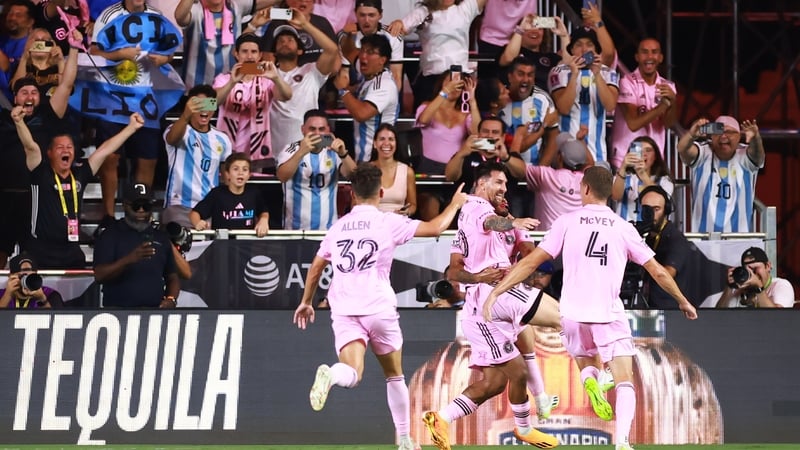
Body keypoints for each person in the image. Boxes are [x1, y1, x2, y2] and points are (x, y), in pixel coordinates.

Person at [484, 166, 698, 450]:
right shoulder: (624, 228)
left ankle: (591, 380)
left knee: (586, 359)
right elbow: (658, 272)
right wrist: (682, 299)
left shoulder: (566, 221)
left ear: (585, 189)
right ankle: (622, 441)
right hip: (607, 312)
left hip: (571, 313)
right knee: (624, 381)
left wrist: (497, 291)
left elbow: (530, 262)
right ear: (609, 193)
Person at [292, 163, 468, 450]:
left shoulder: (338, 227)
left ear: (351, 194)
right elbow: (436, 227)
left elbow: (316, 267)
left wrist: (305, 302)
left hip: (345, 308)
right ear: (381, 191)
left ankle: (332, 375)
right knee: (394, 374)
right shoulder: (388, 222)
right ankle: (404, 439)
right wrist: (456, 204)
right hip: (378, 307)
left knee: (352, 372)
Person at [423, 162, 560, 450]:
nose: (503, 189)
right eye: (499, 183)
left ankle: (441, 418)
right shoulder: (475, 207)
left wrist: (517, 231)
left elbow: (529, 256)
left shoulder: (490, 223)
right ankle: (598, 371)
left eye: (506, 186)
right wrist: (513, 222)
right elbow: (485, 229)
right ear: (482, 184)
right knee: (563, 319)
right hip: (492, 298)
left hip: (493, 298)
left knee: (494, 383)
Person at [13, 108, 144, 269]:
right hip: (41, 250)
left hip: (71, 250)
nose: (66, 150)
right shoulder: (40, 173)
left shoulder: (80, 174)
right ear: (50, 153)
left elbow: (104, 150)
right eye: (60, 147)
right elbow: (31, 148)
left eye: (69, 147)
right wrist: (19, 122)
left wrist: (131, 128)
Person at [90, 0, 179, 222]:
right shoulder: (108, 15)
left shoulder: (156, 16)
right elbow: (92, 51)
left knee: (147, 159)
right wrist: (120, 54)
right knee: (110, 157)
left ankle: (141, 213)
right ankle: (108, 217)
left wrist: (164, 59)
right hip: (112, 98)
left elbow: (170, 51)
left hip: (146, 99)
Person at [0, 40, 80, 268]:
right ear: (15, 98)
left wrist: (72, 49)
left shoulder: (48, 115)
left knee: (33, 254)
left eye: (34, 92)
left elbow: (66, 85)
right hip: (4, 195)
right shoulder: (2, 120)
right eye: (24, 92)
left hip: (38, 197)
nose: (29, 96)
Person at [214, 34, 292, 174]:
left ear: (260, 55)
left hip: (257, 150)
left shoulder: (266, 80)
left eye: (254, 52)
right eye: (244, 51)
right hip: (227, 149)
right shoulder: (223, 78)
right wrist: (232, 82)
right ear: (236, 54)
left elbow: (287, 96)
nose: (249, 56)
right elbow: (211, 104)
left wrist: (276, 78)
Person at [94, 182, 180, 308]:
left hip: (154, 314)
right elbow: (99, 275)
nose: (141, 210)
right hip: (118, 314)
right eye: (136, 206)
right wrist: (129, 260)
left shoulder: (161, 237)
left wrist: (171, 299)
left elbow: (172, 276)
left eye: (146, 206)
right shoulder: (110, 235)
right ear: (124, 206)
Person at [387, 0, 487, 109]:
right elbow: (402, 27)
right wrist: (398, 23)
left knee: (461, 119)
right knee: (426, 120)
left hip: (459, 77)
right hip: (431, 78)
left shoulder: (465, 8)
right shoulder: (423, 12)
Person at [268, 11, 340, 156]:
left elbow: (332, 50)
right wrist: (252, 25)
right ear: (274, 51)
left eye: (290, 40)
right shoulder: (266, 73)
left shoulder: (311, 71)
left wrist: (305, 25)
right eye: (280, 41)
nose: (284, 43)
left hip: (308, 149)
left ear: (300, 50)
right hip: (274, 152)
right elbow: (241, 55)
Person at [677, 116, 764, 233]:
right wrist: (692, 133)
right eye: (718, 132)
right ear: (711, 136)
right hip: (703, 238)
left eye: (729, 132)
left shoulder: (745, 155)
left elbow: (758, 156)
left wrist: (755, 138)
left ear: (739, 136)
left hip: (740, 239)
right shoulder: (703, 152)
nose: (723, 136)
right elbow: (682, 149)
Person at [163, 84, 233, 228]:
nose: (204, 110)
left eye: (209, 104)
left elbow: (227, 177)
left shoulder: (223, 139)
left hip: (209, 208)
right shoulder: (178, 130)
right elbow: (172, 139)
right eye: (199, 105)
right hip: (179, 205)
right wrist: (185, 115)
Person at [276, 109, 357, 230]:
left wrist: (343, 154)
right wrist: (301, 152)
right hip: (295, 230)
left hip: (327, 231)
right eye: (312, 129)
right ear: (303, 129)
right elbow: (282, 176)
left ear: (328, 130)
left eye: (321, 129)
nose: (317, 134)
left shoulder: (333, 152)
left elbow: (355, 176)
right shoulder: (291, 149)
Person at [548, 25, 618, 163]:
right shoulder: (559, 72)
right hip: (566, 155)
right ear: (572, 49)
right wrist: (574, 75)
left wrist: (597, 74)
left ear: (596, 50)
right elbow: (563, 108)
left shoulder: (607, 72)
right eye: (578, 45)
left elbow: (610, 105)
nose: (584, 49)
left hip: (598, 153)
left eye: (589, 45)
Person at [174, 0, 279, 88]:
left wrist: (253, 26)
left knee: (224, 110)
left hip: (229, 88)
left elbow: (235, 50)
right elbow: (179, 17)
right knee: (210, 110)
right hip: (199, 91)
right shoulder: (195, 10)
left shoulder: (235, 6)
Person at [610, 38, 677, 171]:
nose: (650, 56)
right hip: (626, 159)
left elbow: (668, 124)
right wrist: (662, 107)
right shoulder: (626, 82)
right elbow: (633, 124)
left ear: (661, 58)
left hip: (654, 162)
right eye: (644, 52)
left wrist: (673, 102)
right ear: (637, 57)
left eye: (654, 52)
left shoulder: (668, 86)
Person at [505, 131, 594, 231]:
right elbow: (591, 163)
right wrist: (582, 142)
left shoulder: (546, 176)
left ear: (560, 157)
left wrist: (506, 154)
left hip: (546, 242)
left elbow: (520, 168)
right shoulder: (588, 180)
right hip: (575, 241)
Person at [333, 33, 398, 162]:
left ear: (382, 60)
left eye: (370, 52)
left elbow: (362, 114)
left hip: (375, 161)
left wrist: (343, 90)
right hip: (364, 158)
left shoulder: (383, 85)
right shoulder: (370, 72)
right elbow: (350, 52)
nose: (363, 56)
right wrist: (348, 35)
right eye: (362, 50)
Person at [637, 185, 694, 309]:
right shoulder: (647, 236)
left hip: (670, 310)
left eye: (656, 209)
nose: (651, 214)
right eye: (647, 209)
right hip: (649, 308)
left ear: (666, 210)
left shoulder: (675, 238)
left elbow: (667, 273)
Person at [190, 152, 270, 236]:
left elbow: (263, 211)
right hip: (222, 245)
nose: (240, 173)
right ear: (227, 174)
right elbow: (195, 213)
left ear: (249, 175)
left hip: (247, 245)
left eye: (245, 169)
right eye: (236, 169)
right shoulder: (217, 194)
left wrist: (264, 220)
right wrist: (197, 223)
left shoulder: (254, 193)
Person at [499, 56, 559, 165]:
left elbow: (553, 139)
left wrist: (540, 170)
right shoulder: (499, 98)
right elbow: (518, 147)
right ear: (510, 77)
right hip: (501, 169)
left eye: (530, 75)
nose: (526, 79)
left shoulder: (543, 99)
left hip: (532, 170)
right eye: (521, 74)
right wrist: (543, 126)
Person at [415, 73, 479, 175]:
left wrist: (472, 100)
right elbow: (423, 120)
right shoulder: (426, 106)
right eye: (450, 81)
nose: (453, 85)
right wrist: (446, 91)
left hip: (455, 169)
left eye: (458, 84)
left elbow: (477, 135)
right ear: (441, 84)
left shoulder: (465, 114)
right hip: (428, 167)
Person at [444, 117, 525, 195]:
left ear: (503, 137)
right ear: (478, 134)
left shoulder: (508, 154)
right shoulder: (466, 153)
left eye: (495, 132)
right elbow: (450, 177)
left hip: (501, 206)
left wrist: (506, 158)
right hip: (469, 205)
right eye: (485, 131)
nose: (489, 135)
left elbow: (522, 174)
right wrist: (461, 154)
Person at [340, 0, 403, 89]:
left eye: (371, 15)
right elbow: (344, 74)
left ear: (380, 15)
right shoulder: (347, 37)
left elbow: (396, 76)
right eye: (362, 15)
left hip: (385, 90)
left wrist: (388, 98)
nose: (366, 20)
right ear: (355, 14)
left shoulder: (393, 37)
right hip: (356, 88)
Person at [498, 14, 567, 92]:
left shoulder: (551, 57)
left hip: (546, 100)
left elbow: (568, 65)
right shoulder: (509, 51)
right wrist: (520, 29)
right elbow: (508, 59)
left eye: (539, 28)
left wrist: (564, 35)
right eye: (529, 27)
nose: (535, 31)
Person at [612, 136, 673, 223]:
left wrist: (642, 173)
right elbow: (615, 196)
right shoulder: (622, 177)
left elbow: (661, 199)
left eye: (648, 150)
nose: (644, 154)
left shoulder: (665, 181)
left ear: (655, 156)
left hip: (652, 231)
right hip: (625, 230)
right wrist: (623, 167)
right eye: (639, 150)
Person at [257, 0, 337, 66]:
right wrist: (252, 26)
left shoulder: (322, 22)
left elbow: (334, 53)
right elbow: (267, 61)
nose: (303, 1)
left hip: (317, 77)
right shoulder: (276, 24)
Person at [715, 247, 795, 308]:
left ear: (767, 266)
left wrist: (758, 288)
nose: (752, 273)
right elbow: (718, 317)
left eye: (755, 268)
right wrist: (729, 288)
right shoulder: (740, 289)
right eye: (747, 270)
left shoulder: (781, 285)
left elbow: (778, 318)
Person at [369, 123, 417, 216]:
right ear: (375, 144)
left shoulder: (407, 171)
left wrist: (407, 211)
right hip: (373, 222)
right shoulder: (366, 170)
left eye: (391, 139)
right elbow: (356, 204)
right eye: (382, 139)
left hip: (398, 223)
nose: (386, 143)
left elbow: (412, 205)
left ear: (396, 144)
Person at [9, 29, 65, 96]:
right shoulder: (20, 66)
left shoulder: (58, 68)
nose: (40, 44)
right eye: (36, 41)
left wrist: (60, 61)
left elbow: (67, 90)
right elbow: (15, 88)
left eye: (44, 41)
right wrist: (24, 59)